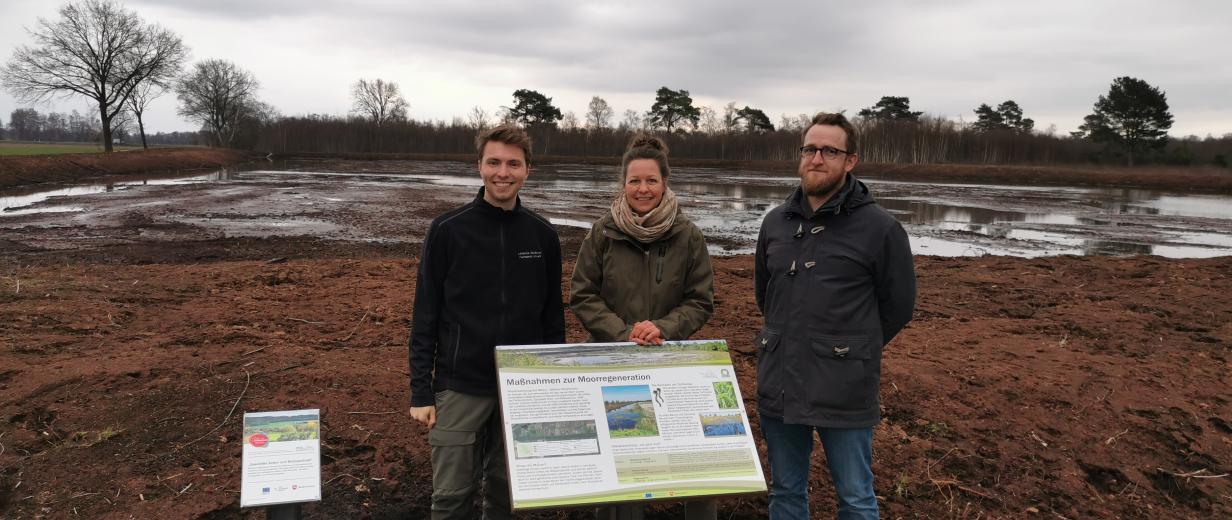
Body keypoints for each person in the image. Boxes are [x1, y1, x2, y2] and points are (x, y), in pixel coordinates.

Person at [754, 112, 916, 520]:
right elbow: (766, 296)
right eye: (810, 149)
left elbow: (897, 308)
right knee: (786, 493)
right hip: (781, 383)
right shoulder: (775, 222)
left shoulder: (881, 229)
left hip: (845, 388)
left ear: (850, 161)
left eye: (830, 150)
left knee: (856, 499)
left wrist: (847, 348)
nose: (817, 158)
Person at [408, 124, 566, 520]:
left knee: (505, 493)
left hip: (521, 386)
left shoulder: (543, 235)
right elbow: (425, 313)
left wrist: (553, 384)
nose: (503, 172)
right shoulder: (447, 230)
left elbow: (552, 318)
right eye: (494, 162)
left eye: (513, 164)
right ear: (479, 166)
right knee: (450, 497)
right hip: (460, 384)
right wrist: (421, 392)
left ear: (528, 169)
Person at [570, 135, 716, 520]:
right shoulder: (603, 232)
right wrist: (623, 334)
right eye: (635, 181)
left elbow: (701, 300)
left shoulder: (689, 235)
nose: (643, 188)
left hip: (670, 363)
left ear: (665, 182)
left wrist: (664, 328)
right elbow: (583, 295)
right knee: (618, 468)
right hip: (611, 362)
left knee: (692, 466)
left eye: (651, 180)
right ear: (623, 184)